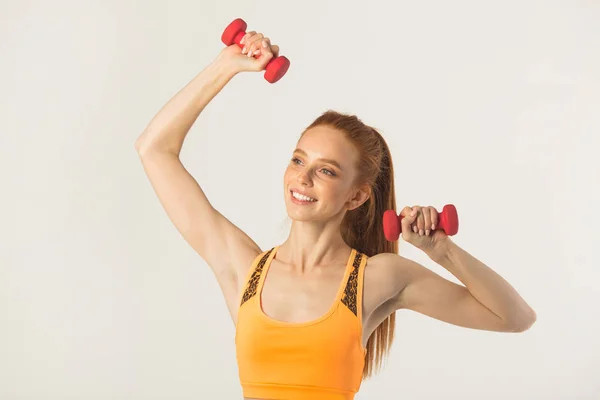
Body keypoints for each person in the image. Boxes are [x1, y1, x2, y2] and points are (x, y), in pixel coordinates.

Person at [134, 29, 536, 400]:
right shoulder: (245, 269)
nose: (302, 178)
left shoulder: (377, 278)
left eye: (326, 170)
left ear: (357, 196)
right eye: (298, 159)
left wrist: (443, 252)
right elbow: (154, 149)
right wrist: (228, 64)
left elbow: (515, 318)